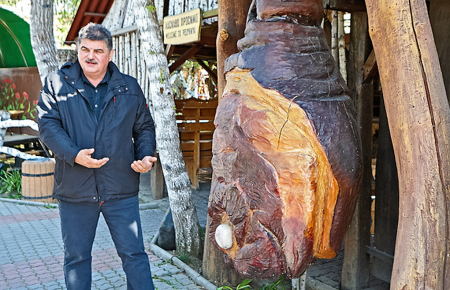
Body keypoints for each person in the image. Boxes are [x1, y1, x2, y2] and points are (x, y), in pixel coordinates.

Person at [37, 23, 156, 290]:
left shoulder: (129, 87)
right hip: (75, 191)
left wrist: (145, 155)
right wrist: (74, 154)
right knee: (77, 258)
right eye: (85, 49)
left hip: (120, 188)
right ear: (78, 50)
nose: (91, 56)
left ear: (110, 54)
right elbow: (47, 126)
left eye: (98, 51)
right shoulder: (56, 84)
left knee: (134, 255)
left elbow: (144, 126)